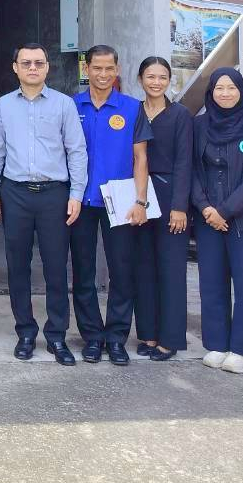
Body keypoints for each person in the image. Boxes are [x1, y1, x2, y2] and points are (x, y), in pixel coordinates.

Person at [0, 43, 88, 365]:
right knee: (18, 266)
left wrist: (76, 194)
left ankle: (56, 335)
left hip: (54, 195)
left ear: (47, 68)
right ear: (15, 67)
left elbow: (76, 150)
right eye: (26, 63)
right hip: (14, 193)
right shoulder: (3, 106)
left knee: (56, 267)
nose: (33, 68)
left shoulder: (63, 104)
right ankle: (26, 332)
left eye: (39, 63)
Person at [70, 44, 152, 366]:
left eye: (109, 68)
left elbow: (140, 157)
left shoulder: (131, 108)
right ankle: (92, 337)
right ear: (86, 69)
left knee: (122, 270)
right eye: (97, 68)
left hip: (121, 201)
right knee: (83, 271)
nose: (103, 74)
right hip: (81, 200)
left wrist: (141, 201)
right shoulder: (71, 105)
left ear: (117, 70)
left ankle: (117, 338)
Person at [190, 67, 243, 375]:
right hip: (207, 219)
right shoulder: (198, 127)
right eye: (219, 88)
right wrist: (206, 208)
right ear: (210, 93)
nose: (225, 93)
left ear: (241, 92)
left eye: (231, 88)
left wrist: (224, 211)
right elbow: (191, 170)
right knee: (212, 283)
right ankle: (217, 344)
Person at [133, 56, 193, 361]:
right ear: (140, 79)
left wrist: (180, 206)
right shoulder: (133, 111)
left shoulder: (180, 115)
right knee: (143, 266)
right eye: (150, 77)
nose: (156, 83)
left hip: (170, 195)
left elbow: (185, 162)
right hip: (138, 195)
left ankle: (170, 338)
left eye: (162, 77)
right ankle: (148, 334)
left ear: (169, 81)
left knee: (171, 269)